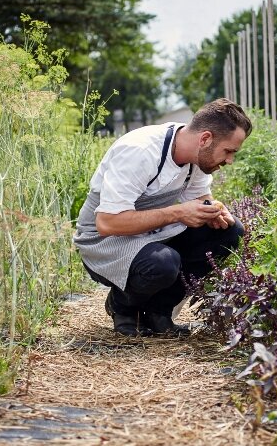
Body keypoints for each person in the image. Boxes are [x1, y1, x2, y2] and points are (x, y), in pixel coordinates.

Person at [73, 98, 252, 336]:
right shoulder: (140, 151)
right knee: (162, 264)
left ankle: (159, 311)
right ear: (205, 138)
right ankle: (122, 305)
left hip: (148, 233)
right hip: (103, 239)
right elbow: (107, 223)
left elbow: (201, 197)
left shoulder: (198, 158)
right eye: (228, 151)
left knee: (230, 232)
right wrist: (178, 212)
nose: (229, 160)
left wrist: (213, 211)